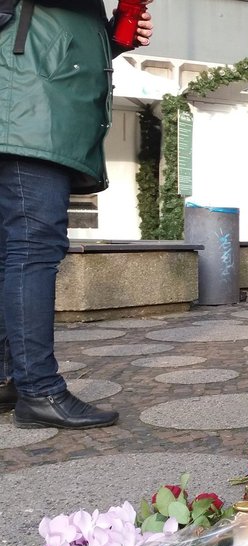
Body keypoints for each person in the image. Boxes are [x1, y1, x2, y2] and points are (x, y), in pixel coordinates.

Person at [0, 0, 153, 428]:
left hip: (31, 92)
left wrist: (111, 35)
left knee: (12, 248)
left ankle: (9, 379)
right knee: (33, 245)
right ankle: (39, 390)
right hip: (29, 100)